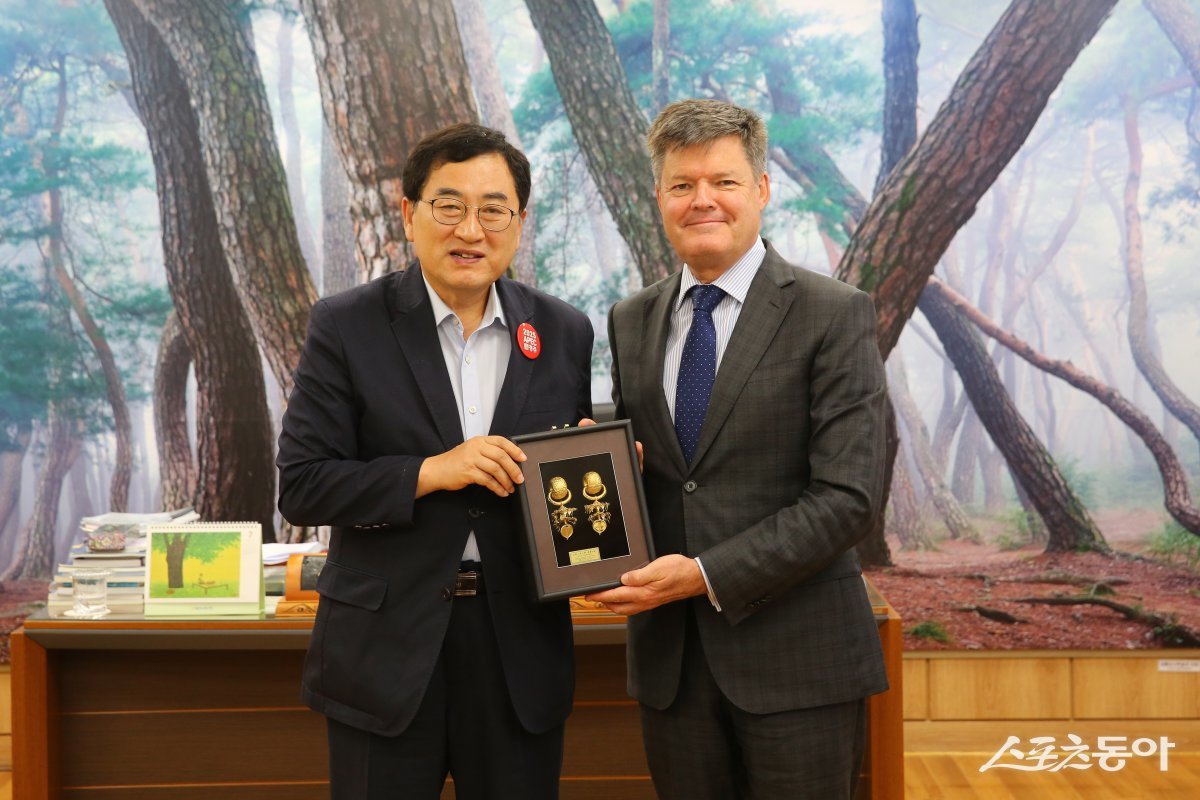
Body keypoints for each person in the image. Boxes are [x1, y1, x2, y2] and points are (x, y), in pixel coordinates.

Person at [277, 123, 593, 800]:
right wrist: (431, 471)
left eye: (493, 209)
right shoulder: (347, 325)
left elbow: (560, 482)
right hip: (383, 650)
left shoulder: (565, 331)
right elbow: (303, 485)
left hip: (519, 651)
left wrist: (598, 473)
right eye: (448, 206)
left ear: (519, 220)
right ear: (408, 213)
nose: (470, 229)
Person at [588, 99, 889, 799]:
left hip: (799, 661)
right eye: (682, 185)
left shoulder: (833, 312)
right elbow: (657, 471)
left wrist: (704, 574)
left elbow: (849, 499)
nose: (702, 201)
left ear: (760, 190)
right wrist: (605, 470)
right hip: (673, 668)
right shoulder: (630, 320)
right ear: (660, 197)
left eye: (723, 182)